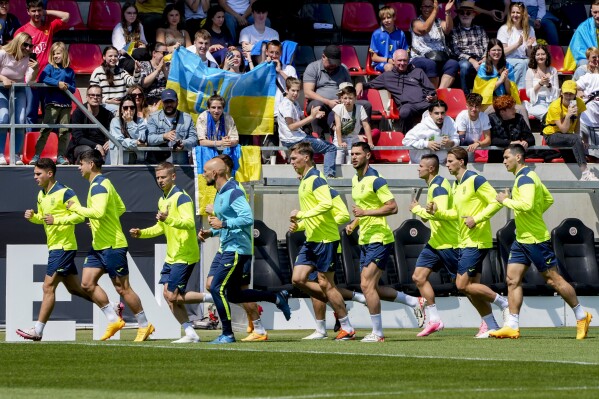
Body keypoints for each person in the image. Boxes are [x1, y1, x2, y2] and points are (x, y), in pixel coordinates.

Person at [491, 144, 592, 339]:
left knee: (553, 280)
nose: (503, 161)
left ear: (518, 157)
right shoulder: (526, 176)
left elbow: (528, 205)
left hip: (536, 240)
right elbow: (548, 199)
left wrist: (506, 201)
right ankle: (512, 325)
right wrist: (533, 215)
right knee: (512, 280)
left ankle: (581, 316)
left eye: (506, 157)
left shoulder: (526, 179)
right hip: (521, 239)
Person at [16, 158, 112, 341]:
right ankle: (111, 306)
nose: (35, 177)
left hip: (64, 247)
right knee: (75, 289)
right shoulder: (41, 195)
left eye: (38, 174)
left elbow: (79, 216)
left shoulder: (65, 192)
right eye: (34, 174)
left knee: (48, 286)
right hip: (54, 247)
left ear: (49, 174)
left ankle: (38, 329)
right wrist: (34, 217)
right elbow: (45, 219)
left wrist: (58, 220)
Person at [198, 157, 291, 343]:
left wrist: (222, 223)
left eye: (206, 171)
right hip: (225, 247)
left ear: (215, 173)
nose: (203, 174)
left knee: (216, 288)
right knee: (230, 293)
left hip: (237, 249)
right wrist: (212, 232)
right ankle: (276, 298)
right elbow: (227, 223)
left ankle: (227, 333)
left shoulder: (233, 191)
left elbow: (247, 218)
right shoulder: (220, 192)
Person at [67, 149, 155, 342]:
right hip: (99, 245)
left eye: (80, 164)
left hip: (113, 245)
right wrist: (100, 221)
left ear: (91, 165)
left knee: (123, 289)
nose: (78, 168)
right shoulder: (100, 184)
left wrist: (76, 207)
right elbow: (120, 208)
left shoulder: (99, 186)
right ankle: (113, 319)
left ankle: (144, 323)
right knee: (87, 284)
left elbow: (97, 212)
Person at [345, 142, 426, 342]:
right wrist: (355, 222)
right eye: (351, 154)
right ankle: (414, 301)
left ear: (368, 155)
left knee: (366, 285)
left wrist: (364, 213)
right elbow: (364, 207)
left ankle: (378, 333)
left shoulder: (376, 180)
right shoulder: (356, 179)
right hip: (365, 237)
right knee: (370, 286)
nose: (353, 157)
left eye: (357, 154)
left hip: (379, 238)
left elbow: (392, 207)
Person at [427, 147, 509, 338]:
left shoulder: (476, 179)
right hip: (464, 240)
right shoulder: (456, 185)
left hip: (477, 240)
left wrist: (477, 219)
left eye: (450, 161)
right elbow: (456, 214)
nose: (446, 165)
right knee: (471, 289)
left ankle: (503, 302)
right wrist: (436, 213)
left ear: (461, 162)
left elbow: (497, 201)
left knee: (462, 285)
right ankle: (491, 325)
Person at [129, 162, 204, 343]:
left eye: (163, 177)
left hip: (185, 253)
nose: (160, 181)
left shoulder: (181, 198)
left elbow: (189, 223)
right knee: (168, 296)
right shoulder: (163, 199)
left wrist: (168, 218)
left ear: (173, 177)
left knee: (172, 295)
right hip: (173, 255)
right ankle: (190, 333)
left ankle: (213, 297)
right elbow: (160, 228)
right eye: (158, 178)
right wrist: (141, 233)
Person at [288, 142, 355, 341]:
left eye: (294, 158)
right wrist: (299, 225)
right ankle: (333, 312)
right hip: (312, 239)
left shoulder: (317, 179)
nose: (291, 162)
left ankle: (346, 326)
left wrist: (302, 214)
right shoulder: (305, 181)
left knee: (326, 284)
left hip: (326, 240)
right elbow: (315, 215)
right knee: (298, 279)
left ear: (306, 158)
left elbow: (327, 205)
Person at [410, 154, 459, 337]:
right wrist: (423, 211)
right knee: (418, 277)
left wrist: (417, 209)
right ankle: (435, 320)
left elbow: (440, 213)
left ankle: (492, 315)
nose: (418, 168)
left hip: (449, 242)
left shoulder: (438, 187)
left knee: (464, 285)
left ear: (430, 169)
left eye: (421, 165)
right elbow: (429, 214)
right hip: (436, 241)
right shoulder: (433, 186)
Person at [15, 0, 69, 127]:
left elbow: (66, 16)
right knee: (30, 114)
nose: (36, 13)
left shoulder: (48, 27)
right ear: (28, 12)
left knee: (50, 114)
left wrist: (46, 12)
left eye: (39, 10)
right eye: (33, 11)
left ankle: (48, 143)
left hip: (47, 77)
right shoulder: (21, 32)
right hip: (30, 79)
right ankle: (30, 143)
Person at [356, 49, 436, 133]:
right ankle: (407, 137)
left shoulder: (418, 71)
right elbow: (369, 84)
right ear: (393, 61)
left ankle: (440, 139)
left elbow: (431, 89)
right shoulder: (387, 77)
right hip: (408, 106)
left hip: (424, 103)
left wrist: (432, 96)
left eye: (405, 60)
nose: (402, 63)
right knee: (405, 112)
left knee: (439, 109)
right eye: (399, 60)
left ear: (408, 61)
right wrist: (360, 84)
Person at [303, 45, 372, 136]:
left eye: (336, 63)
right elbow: (307, 92)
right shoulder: (313, 67)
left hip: (341, 102)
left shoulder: (343, 68)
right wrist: (328, 102)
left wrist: (357, 85)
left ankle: (359, 135)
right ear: (323, 57)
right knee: (317, 105)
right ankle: (318, 136)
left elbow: (349, 89)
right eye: (331, 62)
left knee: (366, 105)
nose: (334, 65)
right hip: (322, 103)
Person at [277, 77, 336, 178]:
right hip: (294, 140)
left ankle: (309, 177)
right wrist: (312, 117)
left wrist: (315, 116)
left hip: (297, 138)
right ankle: (329, 176)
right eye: (293, 90)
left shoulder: (294, 103)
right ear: (287, 90)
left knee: (311, 163)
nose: (295, 93)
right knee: (331, 148)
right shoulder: (286, 105)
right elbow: (291, 126)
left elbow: (302, 119)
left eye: (297, 91)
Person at [30, 42, 74, 166]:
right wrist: (58, 83)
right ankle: (36, 155)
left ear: (64, 54)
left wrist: (67, 86)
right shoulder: (49, 67)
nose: (55, 56)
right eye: (53, 54)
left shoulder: (70, 71)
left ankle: (60, 156)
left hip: (66, 105)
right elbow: (42, 78)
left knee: (64, 131)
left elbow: (74, 88)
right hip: (52, 104)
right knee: (45, 130)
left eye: (58, 53)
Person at [543, 80, 597, 181]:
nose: (568, 96)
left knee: (574, 153)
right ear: (561, 93)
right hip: (552, 135)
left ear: (575, 94)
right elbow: (563, 130)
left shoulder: (579, 103)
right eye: (566, 93)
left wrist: (579, 139)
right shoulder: (555, 106)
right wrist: (568, 116)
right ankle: (585, 172)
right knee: (575, 139)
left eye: (571, 94)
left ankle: (580, 177)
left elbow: (577, 122)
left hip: (568, 135)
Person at [0, 31, 37, 165]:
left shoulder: (29, 58)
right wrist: (3, 78)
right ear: (18, 43)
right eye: (25, 45)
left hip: (19, 89)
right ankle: (0, 154)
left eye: (30, 46)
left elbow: (30, 81)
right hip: (2, 89)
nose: (28, 48)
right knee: (3, 119)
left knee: (20, 121)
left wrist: (36, 69)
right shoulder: (4, 53)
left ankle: (15, 154)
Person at [410, 0, 459, 89]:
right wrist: (435, 11)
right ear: (421, 8)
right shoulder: (415, 22)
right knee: (430, 64)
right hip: (420, 57)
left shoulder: (439, 22)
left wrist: (447, 12)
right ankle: (432, 93)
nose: (427, 9)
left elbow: (448, 29)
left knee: (453, 63)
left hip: (439, 57)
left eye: (430, 7)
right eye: (425, 6)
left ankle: (439, 92)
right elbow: (424, 29)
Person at [147, 89, 197, 165]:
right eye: (166, 102)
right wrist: (164, 136)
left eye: (172, 101)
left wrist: (183, 144)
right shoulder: (153, 118)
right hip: (159, 165)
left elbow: (194, 139)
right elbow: (149, 139)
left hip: (181, 165)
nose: (169, 104)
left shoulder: (187, 118)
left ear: (177, 102)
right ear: (162, 103)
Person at [448, 1, 489, 94]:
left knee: (487, 66)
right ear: (458, 15)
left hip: (480, 57)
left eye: (468, 13)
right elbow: (456, 51)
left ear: (473, 15)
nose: (465, 15)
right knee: (464, 66)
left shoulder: (480, 29)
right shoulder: (454, 31)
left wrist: (484, 58)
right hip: (464, 59)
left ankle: (484, 95)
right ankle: (465, 95)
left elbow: (487, 46)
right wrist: (471, 60)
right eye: (462, 13)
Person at [67, 85, 113, 164]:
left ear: (101, 98)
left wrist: (110, 141)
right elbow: (78, 138)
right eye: (92, 95)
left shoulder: (107, 114)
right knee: (89, 151)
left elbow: (113, 131)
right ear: (87, 97)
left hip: (102, 147)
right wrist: (96, 145)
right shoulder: (78, 113)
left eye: (98, 95)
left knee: (114, 149)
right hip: (81, 146)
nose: (95, 97)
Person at [403, 100, 459, 164]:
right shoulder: (422, 126)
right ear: (430, 113)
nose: (440, 116)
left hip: (442, 164)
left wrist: (451, 143)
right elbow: (406, 141)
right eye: (436, 113)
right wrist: (426, 144)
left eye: (442, 113)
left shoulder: (450, 123)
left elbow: (456, 139)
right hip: (420, 164)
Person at [90, 46, 141, 114]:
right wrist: (108, 101)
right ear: (104, 57)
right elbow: (93, 93)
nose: (113, 58)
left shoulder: (121, 71)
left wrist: (137, 71)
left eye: (115, 56)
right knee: (120, 111)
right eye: (110, 56)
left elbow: (133, 83)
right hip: (105, 105)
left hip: (121, 104)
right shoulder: (98, 72)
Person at [332, 83, 374, 165]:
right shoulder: (338, 108)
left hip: (354, 137)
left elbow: (366, 125)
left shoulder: (360, 108)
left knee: (353, 159)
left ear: (355, 98)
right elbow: (338, 126)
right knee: (338, 158)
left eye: (350, 98)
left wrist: (370, 142)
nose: (347, 101)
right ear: (341, 99)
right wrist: (340, 142)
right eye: (345, 98)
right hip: (340, 138)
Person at [497, 2, 536, 89]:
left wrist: (529, 47)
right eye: (513, 12)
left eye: (518, 13)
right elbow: (502, 52)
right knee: (523, 64)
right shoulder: (504, 29)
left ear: (523, 14)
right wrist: (517, 44)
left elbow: (531, 55)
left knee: (526, 62)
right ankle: (519, 93)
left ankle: (524, 92)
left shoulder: (530, 29)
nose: (515, 15)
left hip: (525, 60)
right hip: (507, 60)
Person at [488, 95, 534, 163]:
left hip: (515, 158)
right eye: (512, 109)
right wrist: (511, 143)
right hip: (497, 157)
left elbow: (531, 138)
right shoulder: (491, 119)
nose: (515, 110)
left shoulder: (519, 118)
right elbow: (492, 140)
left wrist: (526, 142)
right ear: (502, 112)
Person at [474, 39, 517, 109]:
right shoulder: (483, 68)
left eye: (499, 50)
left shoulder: (508, 66)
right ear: (488, 52)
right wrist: (500, 81)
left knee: (521, 109)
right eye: (494, 50)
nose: (496, 52)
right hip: (488, 101)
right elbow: (483, 92)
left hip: (504, 99)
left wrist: (506, 79)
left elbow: (510, 93)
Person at [108, 95, 148, 165]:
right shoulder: (115, 121)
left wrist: (130, 122)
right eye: (125, 108)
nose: (129, 110)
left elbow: (141, 138)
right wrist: (135, 143)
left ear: (135, 109)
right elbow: (119, 141)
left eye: (132, 107)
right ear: (121, 109)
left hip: (138, 160)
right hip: (120, 161)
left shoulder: (141, 121)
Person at [368, 5, 408, 73]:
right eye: (383, 19)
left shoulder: (401, 34)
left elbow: (405, 53)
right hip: (381, 63)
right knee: (389, 67)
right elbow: (374, 58)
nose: (386, 20)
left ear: (394, 17)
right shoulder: (376, 34)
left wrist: (398, 61)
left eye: (388, 18)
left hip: (398, 63)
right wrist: (388, 60)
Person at [524, 44, 558, 120]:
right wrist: (540, 84)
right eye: (538, 54)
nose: (540, 57)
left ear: (547, 55)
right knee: (548, 113)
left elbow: (557, 92)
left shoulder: (553, 70)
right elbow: (528, 93)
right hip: (537, 102)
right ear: (534, 56)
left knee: (553, 111)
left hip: (551, 102)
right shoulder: (530, 71)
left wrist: (548, 85)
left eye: (543, 54)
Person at [112, 2, 148, 74]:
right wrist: (136, 44)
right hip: (124, 58)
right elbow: (122, 51)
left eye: (134, 13)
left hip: (138, 55)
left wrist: (135, 44)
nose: (132, 15)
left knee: (144, 52)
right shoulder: (118, 28)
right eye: (129, 13)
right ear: (123, 14)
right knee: (137, 58)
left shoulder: (139, 26)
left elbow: (144, 43)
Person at [455, 93, 491, 162]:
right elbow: (461, 139)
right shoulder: (462, 116)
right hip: (460, 149)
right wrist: (474, 142)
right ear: (467, 106)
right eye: (471, 106)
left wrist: (478, 143)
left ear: (480, 106)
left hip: (473, 148)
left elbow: (488, 140)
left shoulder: (484, 117)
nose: (474, 109)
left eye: (476, 106)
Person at [564, 0, 599, 71]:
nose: (598, 15)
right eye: (595, 12)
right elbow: (577, 50)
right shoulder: (583, 27)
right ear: (591, 11)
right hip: (588, 59)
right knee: (583, 67)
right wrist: (593, 59)